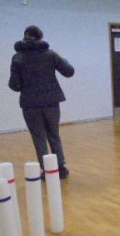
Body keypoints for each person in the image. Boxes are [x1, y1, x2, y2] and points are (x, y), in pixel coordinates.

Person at [8, 25, 74, 179]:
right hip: (51, 101)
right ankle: (60, 168)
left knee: (38, 138)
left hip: (30, 104)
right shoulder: (50, 54)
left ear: (24, 37)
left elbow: (14, 85)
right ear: (40, 37)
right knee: (54, 135)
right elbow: (69, 71)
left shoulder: (17, 58)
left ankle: (47, 170)